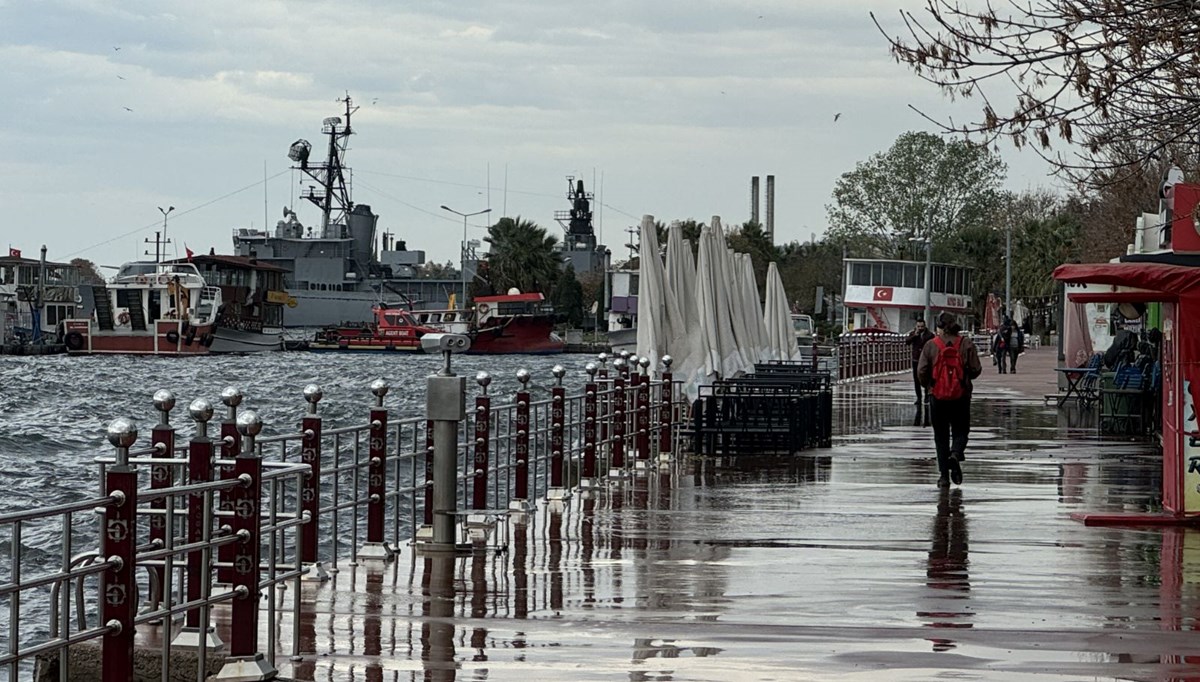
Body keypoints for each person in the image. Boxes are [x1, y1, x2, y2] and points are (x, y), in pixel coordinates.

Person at [917, 312, 983, 487]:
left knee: (941, 436)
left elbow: (921, 371)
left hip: (937, 396)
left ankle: (944, 476)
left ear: (939, 327)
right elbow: (976, 369)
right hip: (961, 395)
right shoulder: (966, 344)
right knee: (961, 431)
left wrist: (930, 387)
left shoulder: (931, 345)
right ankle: (955, 454)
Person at [906, 318, 935, 405]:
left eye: (922, 326)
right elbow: (907, 341)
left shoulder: (930, 335)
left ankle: (927, 396)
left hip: (926, 359)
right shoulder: (913, 334)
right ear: (916, 326)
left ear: (925, 326)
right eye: (918, 326)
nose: (920, 328)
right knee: (916, 379)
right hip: (916, 359)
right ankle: (919, 398)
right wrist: (915, 335)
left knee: (927, 377)